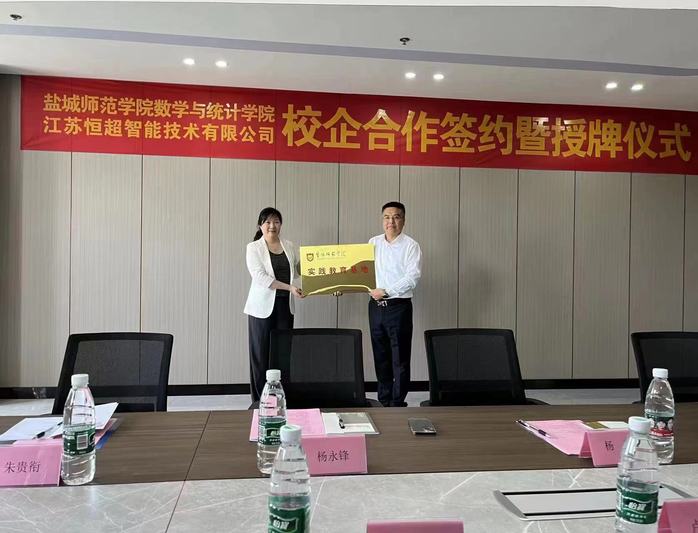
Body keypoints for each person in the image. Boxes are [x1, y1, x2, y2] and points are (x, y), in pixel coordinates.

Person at [244, 207, 304, 402]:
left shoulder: (289, 245)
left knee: (283, 353)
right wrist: (289, 288)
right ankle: (259, 401)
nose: (272, 226)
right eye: (268, 222)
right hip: (261, 309)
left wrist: (316, 261)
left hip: (285, 307)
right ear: (260, 225)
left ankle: (280, 398)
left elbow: (299, 270)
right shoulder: (253, 248)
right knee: (260, 356)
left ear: (281, 224)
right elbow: (261, 277)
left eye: (276, 221)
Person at [368, 201, 422, 407]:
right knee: (380, 355)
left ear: (403, 220)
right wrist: (343, 286)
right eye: (387, 217)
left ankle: (398, 402)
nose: (391, 221)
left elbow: (412, 277)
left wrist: (387, 291)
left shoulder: (411, 246)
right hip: (375, 307)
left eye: (396, 217)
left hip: (398, 307)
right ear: (382, 220)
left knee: (400, 357)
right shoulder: (373, 242)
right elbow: (362, 271)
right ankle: (384, 400)